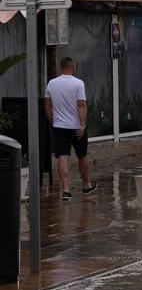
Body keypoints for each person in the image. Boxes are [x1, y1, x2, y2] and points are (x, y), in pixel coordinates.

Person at [43, 57, 95, 201]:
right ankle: (86, 185)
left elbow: (47, 105)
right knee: (82, 156)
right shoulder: (78, 83)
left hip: (59, 127)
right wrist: (83, 124)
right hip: (77, 127)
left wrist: (52, 120)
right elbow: (82, 105)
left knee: (62, 157)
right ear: (73, 67)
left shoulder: (51, 83)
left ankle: (66, 190)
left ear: (61, 68)